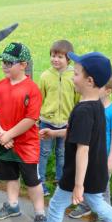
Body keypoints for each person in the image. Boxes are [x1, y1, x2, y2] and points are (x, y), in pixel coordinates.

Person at [16, 52, 112, 222]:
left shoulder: (84, 110)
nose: (72, 77)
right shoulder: (96, 106)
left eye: (75, 74)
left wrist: (78, 185)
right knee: (101, 206)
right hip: (95, 171)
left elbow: (82, 148)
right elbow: (79, 133)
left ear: (89, 81)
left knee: (57, 206)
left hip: (79, 173)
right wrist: (56, 133)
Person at [0, 43, 45, 222]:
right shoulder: (0, 86)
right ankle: (12, 205)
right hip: (5, 141)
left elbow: (31, 119)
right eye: (2, 61)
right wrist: (1, 133)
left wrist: (8, 135)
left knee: (32, 181)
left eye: (9, 62)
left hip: (26, 145)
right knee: (10, 176)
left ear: (23, 64)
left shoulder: (32, 89)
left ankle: (39, 214)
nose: (4, 66)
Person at [68, 73, 112, 222]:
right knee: (85, 181)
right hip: (88, 155)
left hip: (103, 158)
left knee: (102, 188)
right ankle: (85, 206)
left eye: (100, 86)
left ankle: (105, 214)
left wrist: (110, 159)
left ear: (108, 91)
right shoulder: (91, 107)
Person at [38, 39, 80, 196]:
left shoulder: (73, 76)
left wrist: (73, 118)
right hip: (47, 122)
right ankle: (40, 181)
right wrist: (38, 119)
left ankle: (61, 181)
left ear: (68, 59)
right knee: (44, 153)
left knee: (62, 153)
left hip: (66, 124)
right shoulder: (45, 76)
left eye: (60, 57)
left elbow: (77, 99)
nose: (55, 59)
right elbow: (40, 98)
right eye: (53, 55)